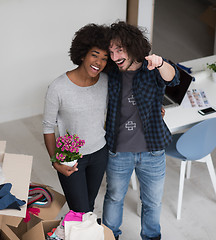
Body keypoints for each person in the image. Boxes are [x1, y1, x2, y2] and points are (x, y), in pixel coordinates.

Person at [102, 21, 180, 240]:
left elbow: (173, 78)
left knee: (153, 202)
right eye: (111, 51)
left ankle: (151, 237)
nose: (115, 56)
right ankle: (110, 236)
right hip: (118, 151)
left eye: (119, 49)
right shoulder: (111, 72)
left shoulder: (152, 68)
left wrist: (162, 62)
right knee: (114, 197)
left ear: (132, 46)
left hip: (153, 152)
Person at [42, 23, 111, 213]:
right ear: (82, 54)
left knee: (88, 207)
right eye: (94, 55)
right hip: (71, 158)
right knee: (79, 209)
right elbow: (48, 127)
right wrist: (56, 162)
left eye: (104, 58)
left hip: (99, 153)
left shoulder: (106, 82)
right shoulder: (58, 87)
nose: (99, 62)